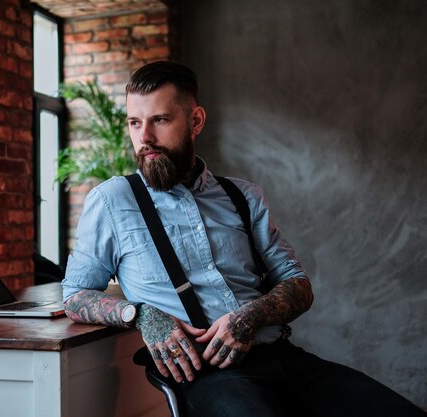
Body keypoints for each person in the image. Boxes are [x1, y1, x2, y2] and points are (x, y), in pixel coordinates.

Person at [61, 61, 425, 416]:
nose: (145, 138)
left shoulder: (244, 196)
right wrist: (138, 313)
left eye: (160, 120)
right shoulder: (112, 200)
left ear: (196, 121)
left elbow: (299, 286)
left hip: (286, 360)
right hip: (210, 378)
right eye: (135, 123)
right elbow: (75, 294)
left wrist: (250, 316)